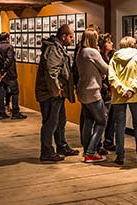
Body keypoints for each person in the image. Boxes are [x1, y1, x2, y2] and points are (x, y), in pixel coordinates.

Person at [36, 24, 79, 161]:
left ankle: (62, 146)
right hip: (50, 94)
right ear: (63, 36)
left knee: (60, 120)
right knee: (51, 122)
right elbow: (52, 72)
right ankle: (47, 151)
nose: (72, 39)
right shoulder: (54, 49)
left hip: (56, 93)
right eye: (71, 36)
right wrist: (56, 90)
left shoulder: (57, 48)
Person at [107, 36, 137, 165]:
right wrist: (131, 89)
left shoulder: (115, 57)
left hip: (119, 96)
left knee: (119, 126)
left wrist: (121, 89)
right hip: (135, 95)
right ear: (133, 44)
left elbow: (111, 76)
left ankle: (120, 157)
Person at [76, 28, 110, 163]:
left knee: (88, 122)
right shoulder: (92, 52)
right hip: (93, 91)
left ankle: (86, 150)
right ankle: (90, 152)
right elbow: (106, 69)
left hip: (83, 90)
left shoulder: (80, 52)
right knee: (101, 122)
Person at [0, 32, 27, 120]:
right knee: (15, 92)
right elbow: (9, 60)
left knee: (1, 93)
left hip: (1, 74)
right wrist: (4, 71)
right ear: (7, 38)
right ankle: (15, 112)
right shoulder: (9, 47)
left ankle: (1, 113)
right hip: (9, 74)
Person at [97, 32, 116, 152]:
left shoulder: (114, 55)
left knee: (112, 118)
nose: (112, 44)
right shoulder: (99, 57)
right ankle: (98, 144)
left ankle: (109, 141)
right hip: (102, 91)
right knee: (101, 119)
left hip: (113, 91)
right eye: (109, 42)